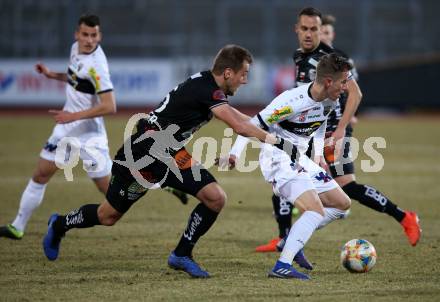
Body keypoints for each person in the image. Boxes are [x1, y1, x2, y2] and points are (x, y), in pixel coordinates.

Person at [41, 44, 296, 279]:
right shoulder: (208, 90)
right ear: (228, 73)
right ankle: (60, 223)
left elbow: (242, 119)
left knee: (213, 198)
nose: (245, 79)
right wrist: (277, 142)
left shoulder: (208, 86)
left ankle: (181, 254)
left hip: (165, 150)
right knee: (108, 215)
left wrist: (265, 125)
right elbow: (239, 125)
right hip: (144, 152)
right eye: (244, 74)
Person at [255, 7, 421, 253]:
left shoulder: (332, 57)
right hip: (308, 132)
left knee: (347, 186)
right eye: (308, 29)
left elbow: (356, 93)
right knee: (283, 180)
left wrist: (342, 127)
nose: (313, 35)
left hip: (332, 131)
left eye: (318, 30)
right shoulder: (299, 55)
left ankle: (405, 217)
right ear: (298, 30)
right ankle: (284, 238)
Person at [226, 53, 354, 279]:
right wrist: (234, 154)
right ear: (328, 81)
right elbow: (252, 124)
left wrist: (318, 157)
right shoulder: (292, 102)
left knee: (342, 204)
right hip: (278, 158)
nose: (346, 87)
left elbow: (319, 128)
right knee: (314, 210)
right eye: (343, 81)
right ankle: (282, 265)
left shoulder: (331, 100)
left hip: (301, 158)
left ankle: (291, 240)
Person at [0, 14, 117, 240]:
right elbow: (75, 79)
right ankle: (17, 226)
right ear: (77, 34)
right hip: (66, 129)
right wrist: (51, 75)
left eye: (94, 36)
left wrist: (73, 115)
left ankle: (157, 183)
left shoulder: (98, 67)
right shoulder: (75, 49)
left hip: (90, 135)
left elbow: (110, 106)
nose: (89, 40)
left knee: (113, 195)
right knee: (41, 173)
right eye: (85, 34)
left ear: (99, 36)